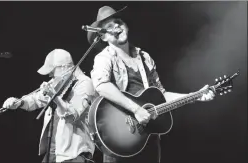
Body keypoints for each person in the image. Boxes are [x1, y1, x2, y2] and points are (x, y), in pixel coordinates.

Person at [87, 6, 216, 163]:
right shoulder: (104, 58)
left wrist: (194, 96)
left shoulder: (145, 57)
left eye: (118, 22)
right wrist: (136, 110)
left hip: (148, 140)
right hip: (119, 140)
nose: (116, 27)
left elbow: (162, 95)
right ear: (103, 37)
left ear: (126, 26)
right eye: (109, 27)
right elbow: (102, 86)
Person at [2, 49, 96, 163]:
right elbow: (36, 99)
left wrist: (54, 96)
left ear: (64, 67)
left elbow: (72, 115)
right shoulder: (58, 84)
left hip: (73, 154)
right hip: (53, 152)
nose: (50, 75)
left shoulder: (85, 83)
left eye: (52, 71)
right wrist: (19, 102)